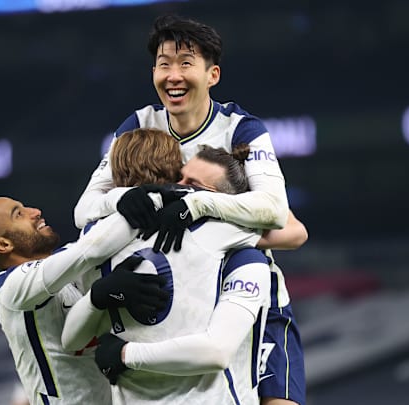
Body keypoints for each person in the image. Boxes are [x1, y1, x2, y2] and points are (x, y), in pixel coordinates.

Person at [73, 14, 306, 405]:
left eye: (186, 63)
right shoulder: (137, 127)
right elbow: (85, 211)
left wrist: (197, 207)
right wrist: (121, 198)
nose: (173, 75)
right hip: (177, 298)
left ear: (212, 74)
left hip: (247, 293)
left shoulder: (241, 129)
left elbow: (281, 217)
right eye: (164, 64)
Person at [63, 129, 273, 404]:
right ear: (174, 170)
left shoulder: (93, 238)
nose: (183, 188)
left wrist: (119, 344)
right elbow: (290, 230)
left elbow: (71, 342)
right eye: (181, 179)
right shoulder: (222, 231)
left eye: (192, 184)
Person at [0, 194, 170, 403]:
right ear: (3, 245)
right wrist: (151, 201)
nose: (35, 211)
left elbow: (97, 239)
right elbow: (93, 248)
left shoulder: (66, 266)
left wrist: (126, 201)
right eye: (19, 214)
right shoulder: (12, 285)